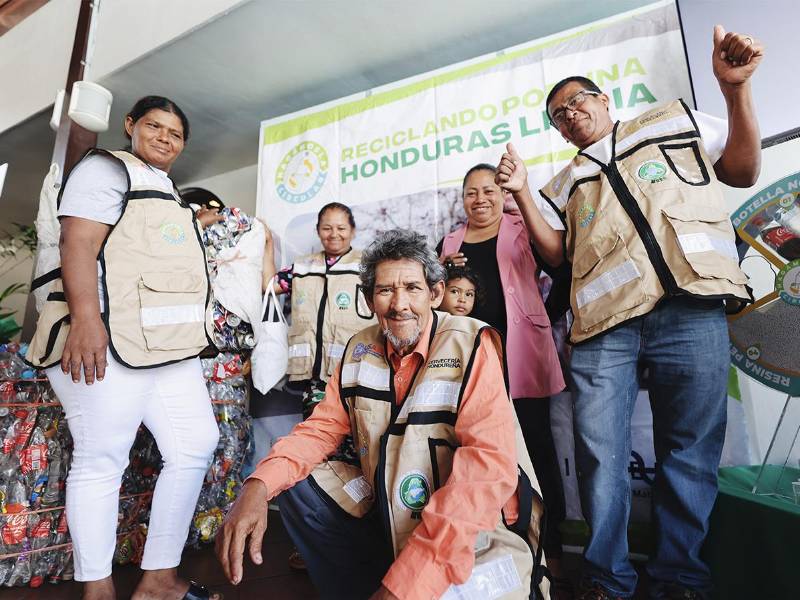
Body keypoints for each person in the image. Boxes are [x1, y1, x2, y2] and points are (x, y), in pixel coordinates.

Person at [496, 26, 763, 600]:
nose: (569, 117)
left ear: (604, 100)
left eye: (577, 103)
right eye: (557, 116)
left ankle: (680, 578)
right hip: (603, 330)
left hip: (691, 311)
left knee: (690, 451)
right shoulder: (562, 182)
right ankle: (606, 579)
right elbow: (555, 254)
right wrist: (520, 190)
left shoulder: (672, 121)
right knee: (599, 456)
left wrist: (734, 91)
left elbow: (741, 171)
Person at [216, 229, 549, 600]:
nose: (399, 304)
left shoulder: (471, 342)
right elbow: (321, 429)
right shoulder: (359, 348)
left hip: (475, 527)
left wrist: (405, 585)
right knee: (298, 486)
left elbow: (483, 473)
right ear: (369, 299)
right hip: (394, 508)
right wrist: (257, 486)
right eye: (385, 290)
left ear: (435, 294)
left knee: (443, 583)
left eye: (412, 288)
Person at [25, 96, 223, 600]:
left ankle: (158, 578)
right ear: (130, 126)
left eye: (175, 133)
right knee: (101, 458)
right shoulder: (105, 169)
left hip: (164, 349)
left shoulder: (166, 188)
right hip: (107, 343)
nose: (165, 138)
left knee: (195, 443)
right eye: (154, 126)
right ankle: (99, 590)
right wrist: (87, 323)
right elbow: (78, 244)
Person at [437, 164, 567, 579]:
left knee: (536, 447)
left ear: (502, 193)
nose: (480, 199)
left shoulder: (522, 226)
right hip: (472, 361)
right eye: (471, 192)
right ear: (462, 199)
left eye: (489, 190)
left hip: (522, 353)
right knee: (480, 450)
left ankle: (552, 544)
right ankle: (501, 540)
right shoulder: (449, 243)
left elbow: (559, 266)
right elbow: (437, 303)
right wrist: (443, 273)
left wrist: (544, 315)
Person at [260, 201, 375, 569]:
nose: (334, 234)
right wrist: (265, 246)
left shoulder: (368, 267)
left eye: (342, 228)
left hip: (357, 377)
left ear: (353, 231)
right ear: (319, 230)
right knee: (320, 457)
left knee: (361, 455)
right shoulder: (303, 268)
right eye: (327, 227)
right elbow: (268, 286)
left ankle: (366, 534)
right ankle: (317, 539)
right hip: (315, 383)